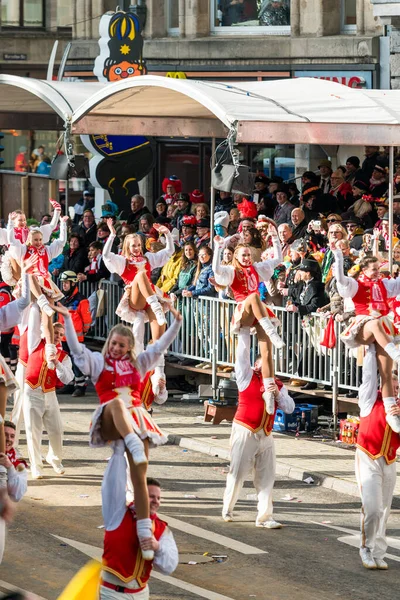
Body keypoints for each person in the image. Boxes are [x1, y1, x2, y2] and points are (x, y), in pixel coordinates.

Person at [55, 302, 182, 560]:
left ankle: (145, 533)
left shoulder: (138, 364)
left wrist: (177, 323)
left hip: (136, 420)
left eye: (122, 345)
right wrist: (68, 318)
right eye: (113, 343)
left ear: (129, 348)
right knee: (115, 404)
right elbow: (77, 350)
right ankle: (133, 443)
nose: (116, 348)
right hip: (111, 418)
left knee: (140, 477)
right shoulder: (98, 362)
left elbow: (159, 347)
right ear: (108, 343)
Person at [222, 327, 295, 526]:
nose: (269, 367)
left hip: (266, 434)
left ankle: (264, 516)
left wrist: (278, 395)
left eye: (271, 363)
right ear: (256, 364)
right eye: (264, 362)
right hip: (245, 429)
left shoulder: (278, 385)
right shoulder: (247, 377)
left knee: (266, 477)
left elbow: (289, 408)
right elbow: (241, 356)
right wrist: (244, 333)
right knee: (237, 473)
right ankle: (227, 508)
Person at [213, 228, 283, 411]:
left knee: (266, 351)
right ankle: (270, 330)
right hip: (243, 310)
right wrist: (220, 246)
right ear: (236, 256)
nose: (247, 258)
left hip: (258, 311)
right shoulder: (231, 270)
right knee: (253, 297)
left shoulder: (256, 268)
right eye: (243, 255)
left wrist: (275, 238)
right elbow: (216, 269)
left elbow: (278, 260)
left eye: (249, 255)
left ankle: (268, 391)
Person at [333, 245, 400, 433]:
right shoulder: (356, 284)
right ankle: (397, 355)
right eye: (374, 269)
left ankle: (391, 412)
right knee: (375, 322)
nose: (378, 272)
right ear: (364, 270)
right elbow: (340, 279)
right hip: (363, 327)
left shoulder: (385, 284)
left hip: (382, 331)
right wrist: (338, 256)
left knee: (386, 373)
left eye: (379, 269)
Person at [355, 345, 399, 570]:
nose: (396, 390)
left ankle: (379, 552)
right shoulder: (369, 401)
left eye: (398, 387)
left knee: (384, 510)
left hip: (389, 462)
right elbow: (369, 377)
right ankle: (365, 547)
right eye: (392, 385)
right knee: (372, 507)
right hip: (367, 457)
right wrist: (373, 350)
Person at [100, 474, 178, 598]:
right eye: (151, 497)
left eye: (158, 498)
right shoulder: (117, 515)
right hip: (112, 593)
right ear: (139, 495)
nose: (156, 501)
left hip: (141, 594)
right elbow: (110, 485)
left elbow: (169, 567)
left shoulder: (161, 528)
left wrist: (157, 547)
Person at [23, 310, 73, 479]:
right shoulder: (35, 343)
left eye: (60, 334)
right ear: (48, 332)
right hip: (32, 391)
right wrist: (43, 305)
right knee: (33, 431)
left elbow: (68, 378)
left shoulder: (64, 356)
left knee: (57, 429)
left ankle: (54, 458)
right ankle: (36, 465)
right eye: (55, 332)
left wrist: (57, 363)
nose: (57, 336)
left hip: (50, 394)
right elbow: (36, 322)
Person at [58, 271, 92, 398]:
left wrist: (84, 331)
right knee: (67, 361)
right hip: (64, 337)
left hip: (76, 338)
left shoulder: (81, 300)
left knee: (77, 362)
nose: (64, 285)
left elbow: (87, 319)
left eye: (66, 283)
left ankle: (80, 386)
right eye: (63, 283)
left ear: (73, 283)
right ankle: (70, 384)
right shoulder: (63, 299)